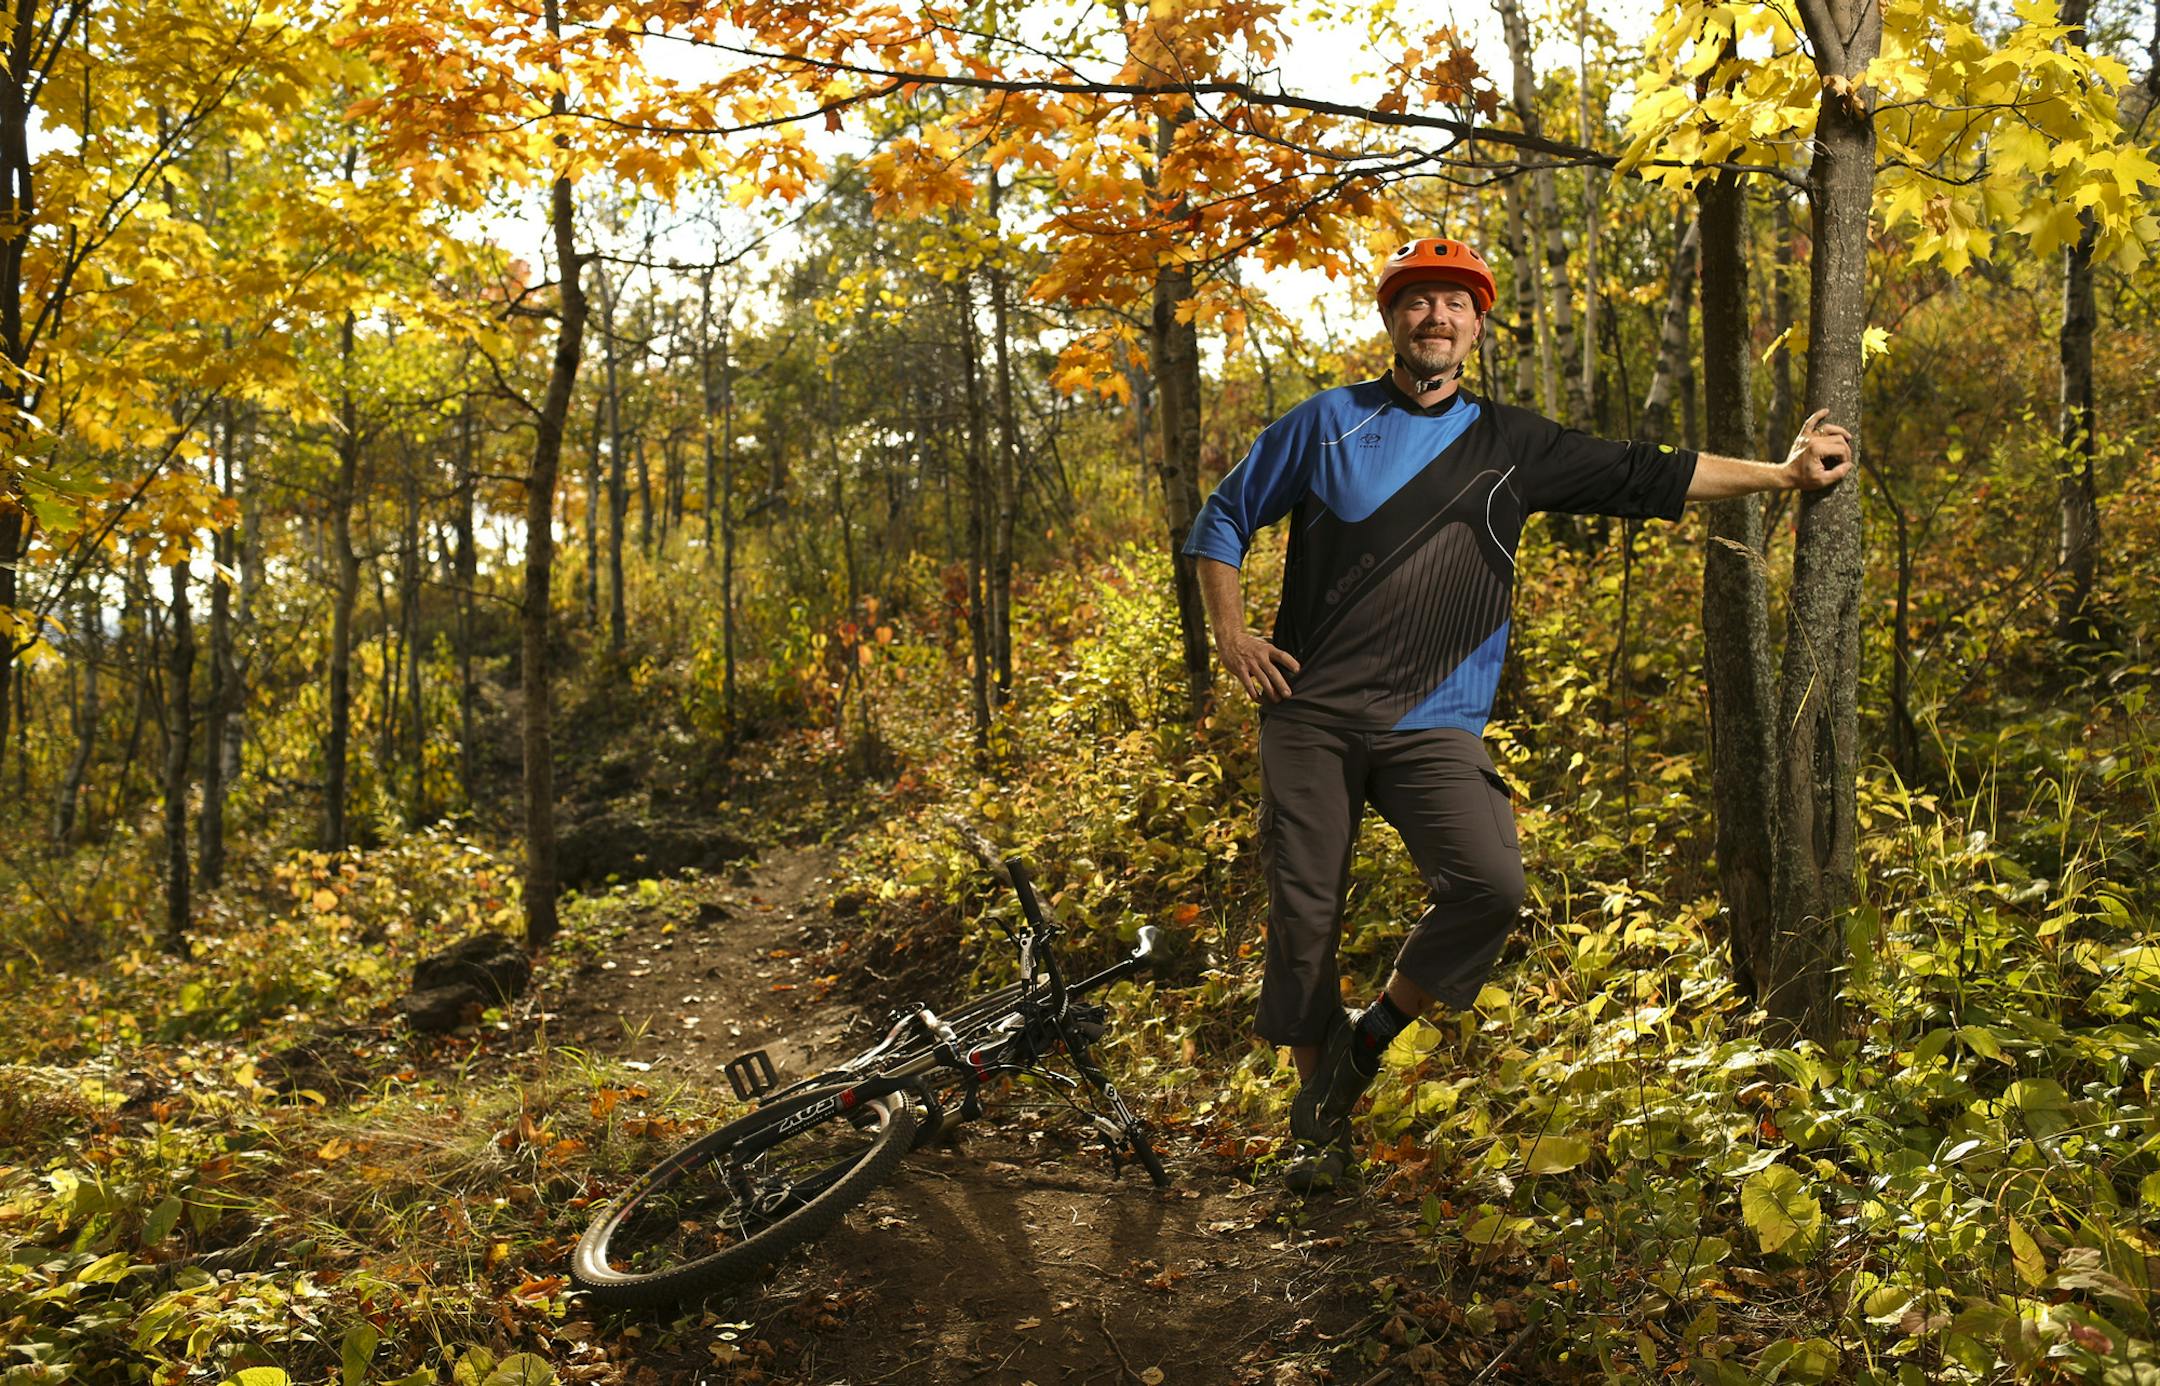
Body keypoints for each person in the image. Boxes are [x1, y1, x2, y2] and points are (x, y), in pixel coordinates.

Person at [1184, 236, 1854, 1191]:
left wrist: (1783, 476)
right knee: (1304, 915)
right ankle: (1318, 1127)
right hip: (1311, 712)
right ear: (1390, 318)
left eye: (1456, 304)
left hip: (1435, 722)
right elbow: (1222, 520)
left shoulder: (1515, 445)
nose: (1436, 318)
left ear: (1479, 326)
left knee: (1491, 882)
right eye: (1418, 302)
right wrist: (1233, 636)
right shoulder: (1324, 423)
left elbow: (1650, 472)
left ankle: (1365, 1045)